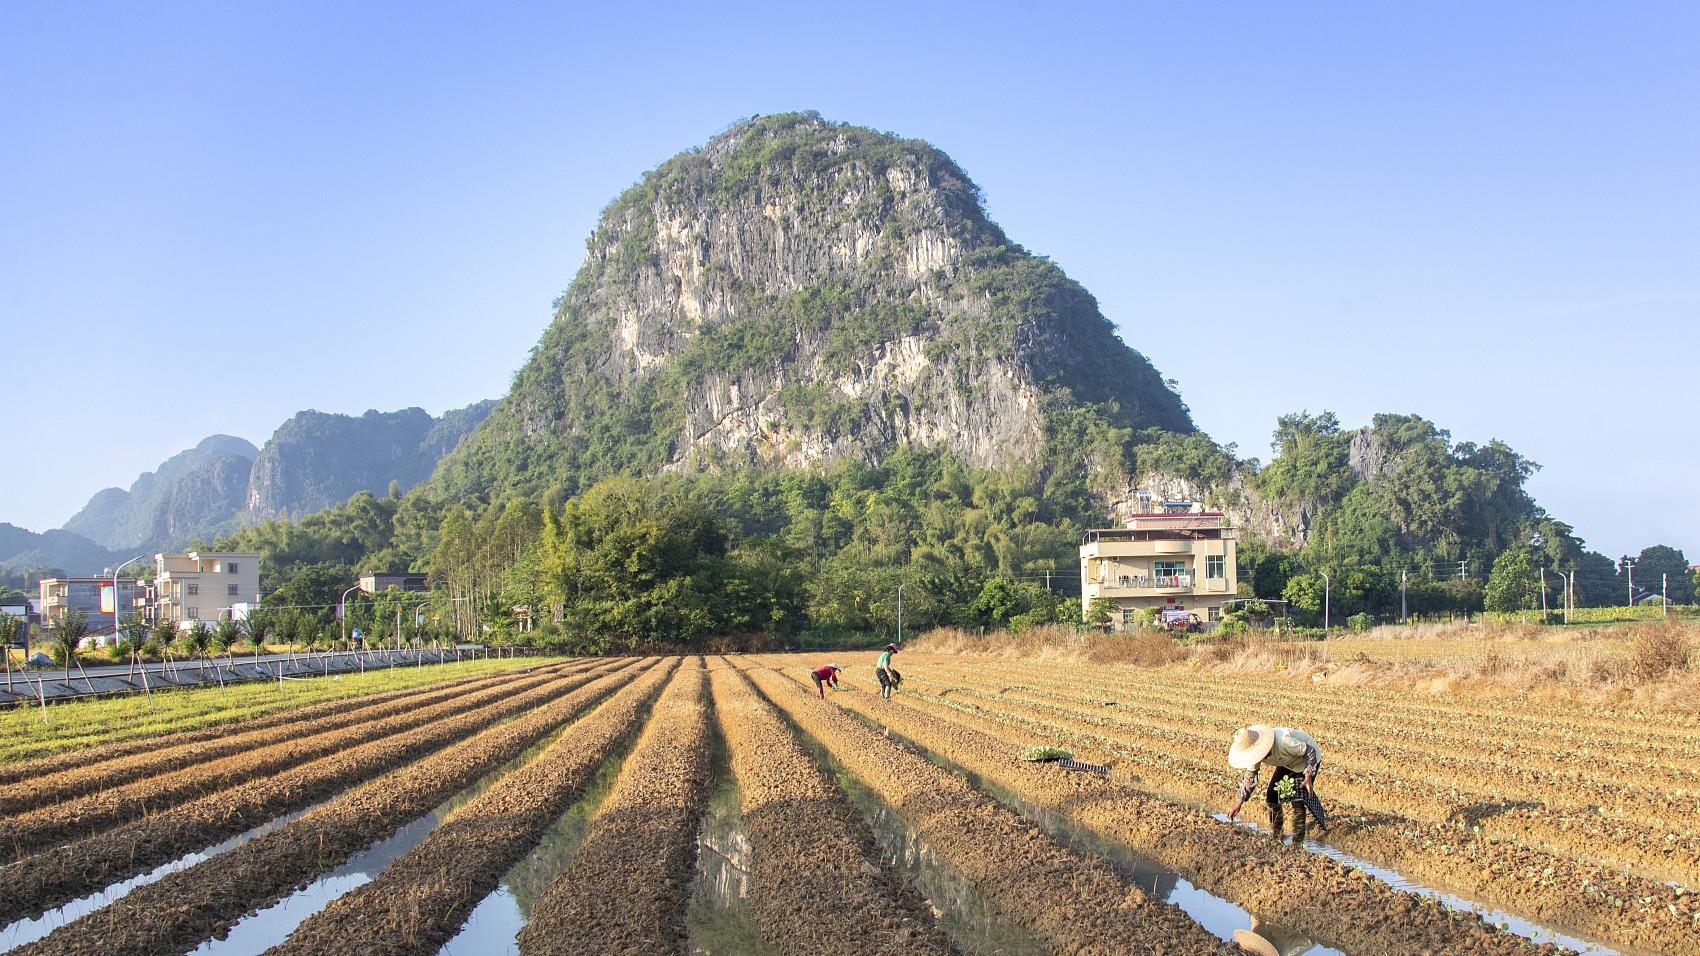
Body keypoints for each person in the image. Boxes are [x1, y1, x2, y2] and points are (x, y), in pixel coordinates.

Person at [1225, 724, 1328, 840]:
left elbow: (1310, 751)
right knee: (1271, 795)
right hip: (1287, 762)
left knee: (1297, 798)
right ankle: (1277, 834)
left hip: (1306, 760)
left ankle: (1297, 841)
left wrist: (1308, 775)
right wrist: (1238, 802)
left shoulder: (1284, 742)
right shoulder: (1256, 754)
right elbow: (1250, 778)